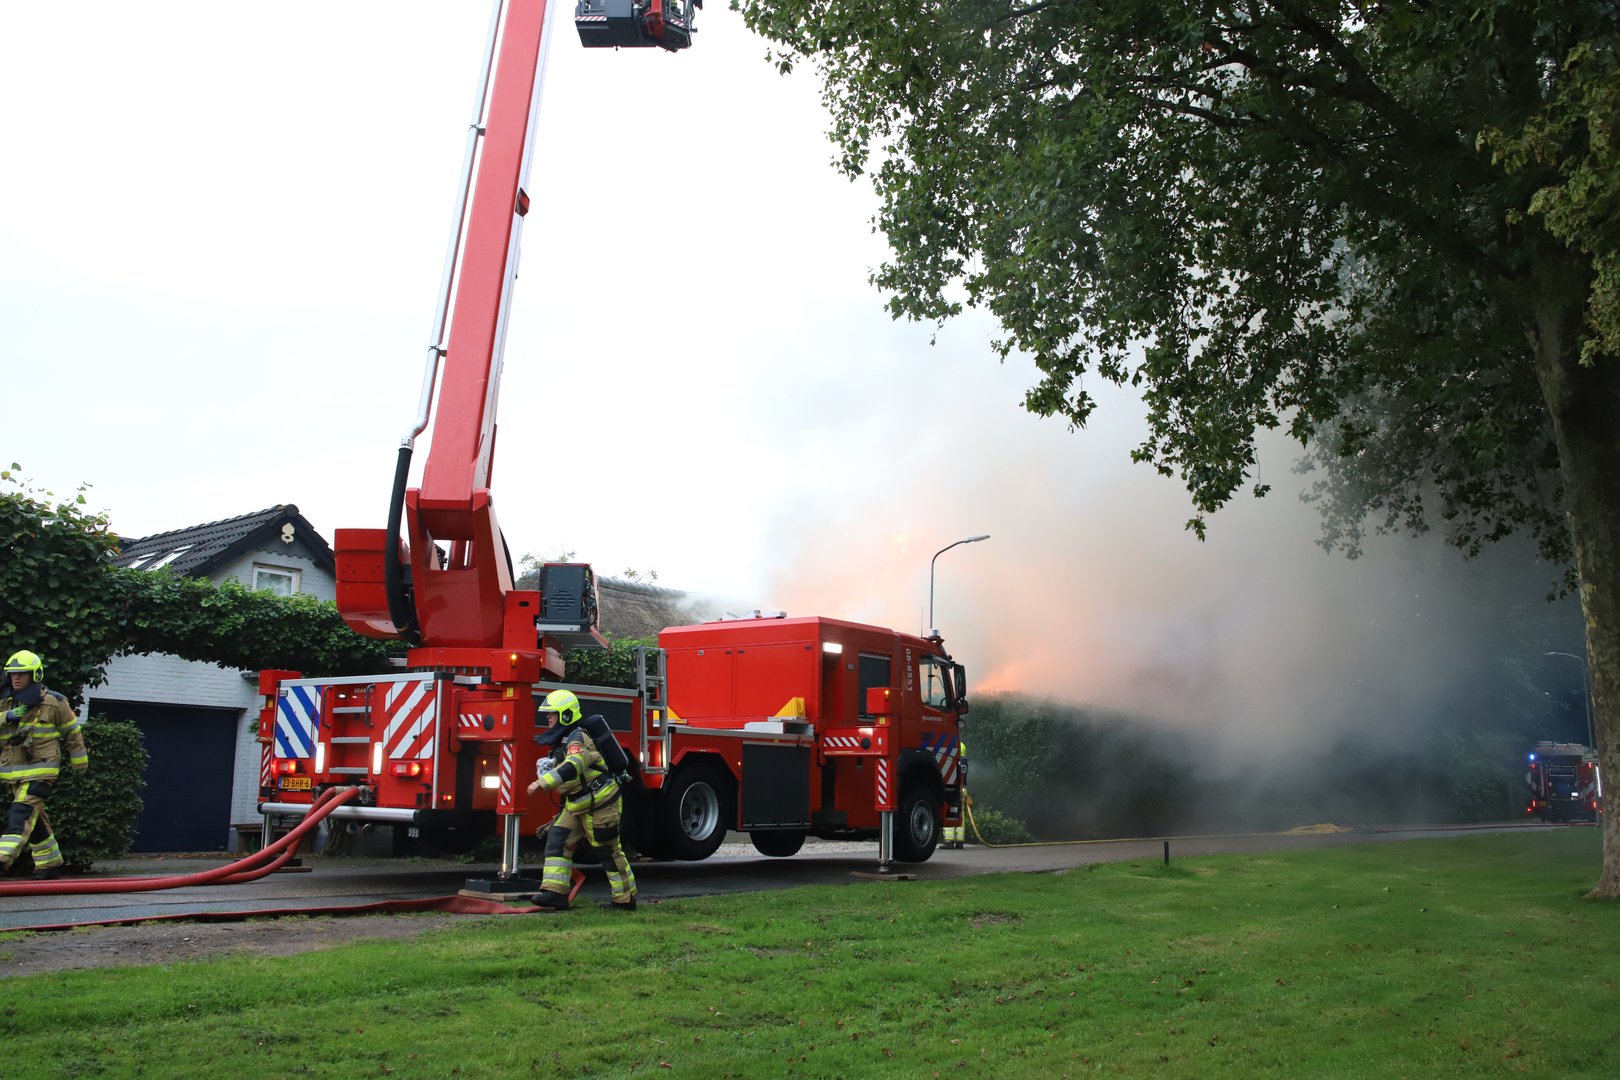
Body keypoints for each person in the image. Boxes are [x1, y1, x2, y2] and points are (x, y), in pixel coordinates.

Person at [525, 688, 637, 911]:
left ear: (566, 715)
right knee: (557, 839)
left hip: (601, 802)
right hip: (577, 803)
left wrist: (543, 782)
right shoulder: (563, 739)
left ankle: (625, 899)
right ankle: (555, 893)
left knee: (607, 850)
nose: (547, 717)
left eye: (552, 713)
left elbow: (575, 765)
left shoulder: (578, 738)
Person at [0, 650, 89, 879]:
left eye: (22, 673)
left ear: (35, 675)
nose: (16, 678)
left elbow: (72, 732)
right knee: (34, 818)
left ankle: (3, 858)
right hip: (13, 772)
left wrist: (80, 762)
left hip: (42, 769)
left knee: (20, 813)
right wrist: (8, 716)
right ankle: (49, 863)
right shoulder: (6, 701)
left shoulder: (55, 701)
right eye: (12, 674)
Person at [943, 737, 969, 849]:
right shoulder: (964, 762)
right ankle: (960, 842)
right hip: (963, 789)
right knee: (960, 815)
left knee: (948, 811)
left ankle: (949, 841)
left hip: (953, 789)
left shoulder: (952, 760)